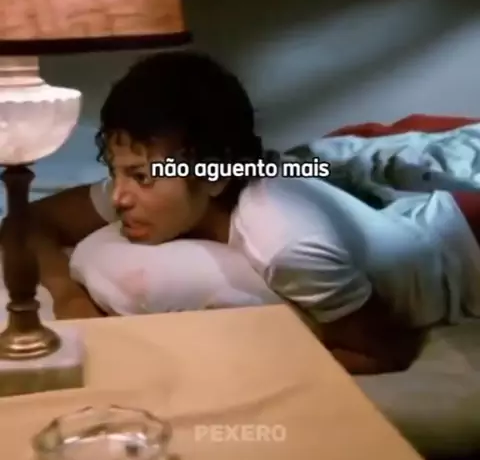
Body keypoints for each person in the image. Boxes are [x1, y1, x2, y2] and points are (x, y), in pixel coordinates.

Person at [23, 50, 480, 376]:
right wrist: (68, 295)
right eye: (116, 172)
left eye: (140, 176)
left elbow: (386, 350)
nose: (119, 197)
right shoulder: (164, 185)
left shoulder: (285, 243)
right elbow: (27, 222)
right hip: (417, 214)